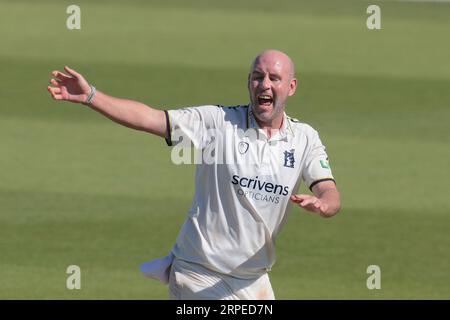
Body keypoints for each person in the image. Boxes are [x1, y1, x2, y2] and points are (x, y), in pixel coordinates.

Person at [47, 49, 341, 300]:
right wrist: (91, 96)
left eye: (274, 78)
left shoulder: (304, 138)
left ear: (291, 87)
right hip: (198, 272)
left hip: (253, 279)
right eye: (257, 76)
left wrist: (324, 204)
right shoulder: (218, 122)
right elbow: (151, 118)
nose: (264, 84)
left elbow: (328, 190)